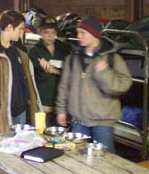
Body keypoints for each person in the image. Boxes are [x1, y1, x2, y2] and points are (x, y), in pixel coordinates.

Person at [56, 15, 132, 153]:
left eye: (83, 33)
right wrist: (61, 110)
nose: (79, 36)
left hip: (102, 121)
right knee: (77, 158)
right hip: (78, 120)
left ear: (94, 34)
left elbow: (122, 86)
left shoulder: (112, 58)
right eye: (78, 32)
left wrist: (105, 72)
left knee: (105, 160)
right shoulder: (72, 59)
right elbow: (64, 87)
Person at [0, 10, 42, 134]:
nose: (23, 32)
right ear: (10, 27)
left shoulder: (19, 51)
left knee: (17, 151)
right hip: (0, 116)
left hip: (20, 112)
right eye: (21, 28)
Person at [28, 16, 70, 126]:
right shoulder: (35, 51)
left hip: (59, 102)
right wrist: (59, 70)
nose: (50, 36)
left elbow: (69, 72)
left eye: (53, 32)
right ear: (39, 32)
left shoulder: (63, 48)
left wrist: (54, 70)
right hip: (43, 102)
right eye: (46, 32)